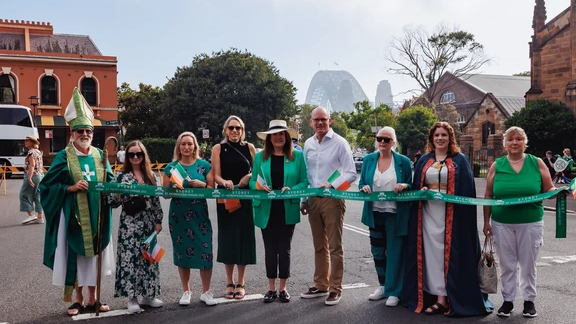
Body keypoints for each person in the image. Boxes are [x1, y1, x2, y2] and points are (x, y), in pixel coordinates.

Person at [402, 121, 492, 317]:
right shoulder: (425, 160)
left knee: (450, 255)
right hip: (427, 216)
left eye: (444, 135)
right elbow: (418, 184)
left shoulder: (460, 160)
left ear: (450, 138)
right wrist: (422, 189)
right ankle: (434, 295)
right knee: (432, 256)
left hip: (453, 217)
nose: (440, 138)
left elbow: (466, 189)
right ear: (431, 139)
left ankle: (445, 298)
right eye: (436, 135)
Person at [40, 88, 114, 316]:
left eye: (88, 131)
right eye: (80, 130)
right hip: (73, 214)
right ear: (72, 133)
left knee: (94, 257)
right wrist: (70, 188)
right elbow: (47, 187)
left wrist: (114, 190)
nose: (84, 134)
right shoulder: (64, 156)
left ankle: (94, 298)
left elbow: (110, 181)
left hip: (98, 214)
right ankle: (78, 299)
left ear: (93, 133)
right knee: (76, 254)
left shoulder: (101, 155)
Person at [483, 127, 556, 318]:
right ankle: (507, 301)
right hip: (501, 222)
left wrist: (558, 192)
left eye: (519, 139)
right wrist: (486, 222)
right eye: (510, 140)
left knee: (528, 264)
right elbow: (488, 195)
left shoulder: (536, 162)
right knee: (507, 264)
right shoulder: (497, 165)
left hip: (530, 222)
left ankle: (529, 301)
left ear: (525, 142)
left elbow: (549, 188)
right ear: (505, 143)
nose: (514, 143)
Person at [300, 107, 356, 306]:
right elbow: (307, 176)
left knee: (335, 246)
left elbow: (351, 174)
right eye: (317, 120)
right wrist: (304, 199)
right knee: (318, 246)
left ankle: (335, 288)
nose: (320, 123)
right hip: (313, 198)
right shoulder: (308, 143)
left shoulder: (340, 143)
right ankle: (321, 284)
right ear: (311, 122)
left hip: (333, 197)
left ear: (329, 120)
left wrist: (331, 185)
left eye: (324, 119)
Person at [250, 120, 308, 303]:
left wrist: (292, 189)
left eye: (281, 134)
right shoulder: (260, 158)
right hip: (266, 209)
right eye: (274, 134)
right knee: (269, 250)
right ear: (269, 138)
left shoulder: (297, 157)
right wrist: (259, 187)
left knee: (284, 250)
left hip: (286, 209)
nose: (278, 137)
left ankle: (283, 289)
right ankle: (271, 289)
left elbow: (304, 182)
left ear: (287, 137)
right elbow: (252, 181)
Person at [108, 141, 164, 313]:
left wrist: (158, 220)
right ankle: (132, 297)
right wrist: (118, 191)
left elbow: (155, 200)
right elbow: (111, 202)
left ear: (143, 155)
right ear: (127, 157)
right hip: (130, 224)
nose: (135, 157)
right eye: (131, 154)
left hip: (148, 223)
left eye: (138, 154)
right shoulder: (120, 176)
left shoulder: (151, 176)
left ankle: (148, 295)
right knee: (129, 258)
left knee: (148, 258)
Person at [358, 127, 412, 306]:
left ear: (393, 143)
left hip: (395, 214)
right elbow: (362, 182)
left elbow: (412, 184)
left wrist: (405, 185)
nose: (382, 142)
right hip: (374, 213)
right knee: (378, 252)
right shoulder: (368, 159)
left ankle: (394, 291)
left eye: (386, 139)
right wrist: (364, 187)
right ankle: (382, 286)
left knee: (395, 252)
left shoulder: (403, 161)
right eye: (379, 138)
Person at [163, 132, 216, 306]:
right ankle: (186, 291)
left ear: (195, 147)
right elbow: (165, 194)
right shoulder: (171, 167)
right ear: (178, 147)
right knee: (182, 252)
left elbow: (212, 190)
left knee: (205, 251)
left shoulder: (204, 166)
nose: (186, 147)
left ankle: (206, 292)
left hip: (199, 215)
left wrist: (203, 185)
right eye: (183, 144)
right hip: (179, 216)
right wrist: (173, 188)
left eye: (190, 144)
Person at [211, 116, 257, 300]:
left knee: (244, 239)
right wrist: (225, 182)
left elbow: (258, 171)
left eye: (238, 128)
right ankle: (229, 282)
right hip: (226, 199)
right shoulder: (218, 148)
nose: (234, 131)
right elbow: (216, 176)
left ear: (242, 129)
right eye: (231, 128)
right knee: (228, 239)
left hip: (245, 199)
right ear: (226, 130)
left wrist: (249, 177)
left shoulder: (250, 148)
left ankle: (241, 282)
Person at [20, 135, 44, 225]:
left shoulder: (30, 152)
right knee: (37, 195)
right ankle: (40, 217)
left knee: (24, 194)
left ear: (32, 142)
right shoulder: (38, 152)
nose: (25, 142)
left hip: (33, 175)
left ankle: (31, 215)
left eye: (27, 141)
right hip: (40, 175)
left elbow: (32, 165)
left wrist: (29, 177)